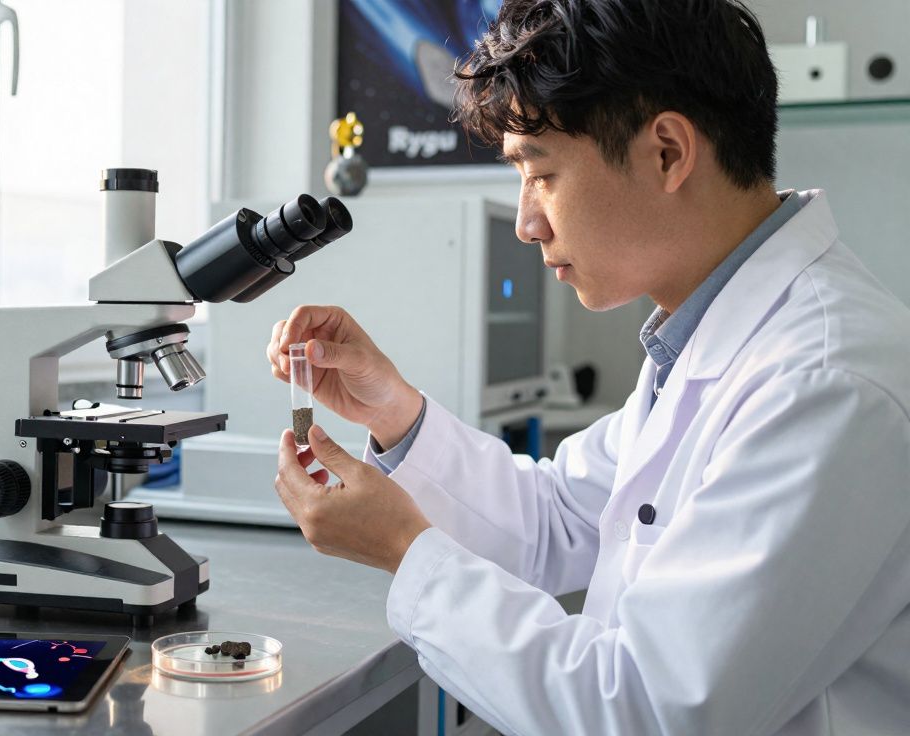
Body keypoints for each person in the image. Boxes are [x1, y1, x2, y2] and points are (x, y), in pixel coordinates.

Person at [266, 0, 910, 733]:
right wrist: (392, 411)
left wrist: (403, 553)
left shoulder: (826, 384)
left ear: (667, 152)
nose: (525, 222)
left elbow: (646, 711)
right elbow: (556, 519)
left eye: (539, 173)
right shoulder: (706, 335)